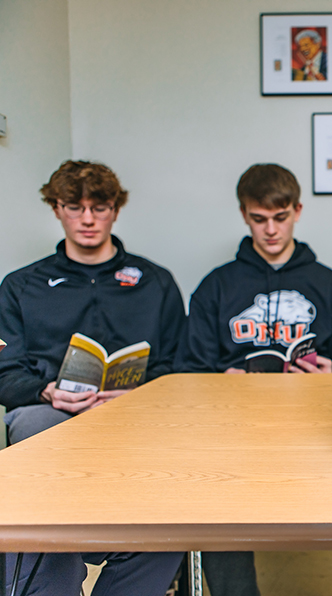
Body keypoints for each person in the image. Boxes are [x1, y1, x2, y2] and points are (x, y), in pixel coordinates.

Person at [176, 163, 332, 596]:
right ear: (244, 215)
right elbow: (189, 370)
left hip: (313, 418)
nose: (270, 230)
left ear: (298, 211)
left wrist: (331, 372)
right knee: (211, 485)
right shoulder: (216, 287)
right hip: (237, 428)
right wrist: (222, 378)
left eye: (280, 218)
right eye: (259, 219)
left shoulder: (328, 284)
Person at [0, 160, 185, 594]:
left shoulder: (155, 282)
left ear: (115, 210)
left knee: (174, 508)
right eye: (74, 206)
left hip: (138, 424)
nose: (87, 219)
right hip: (51, 420)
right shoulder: (21, 286)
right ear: (56, 209)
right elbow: (4, 373)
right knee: (31, 429)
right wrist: (47, 391)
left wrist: (135, 397)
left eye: (99, 207)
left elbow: (182, 367)